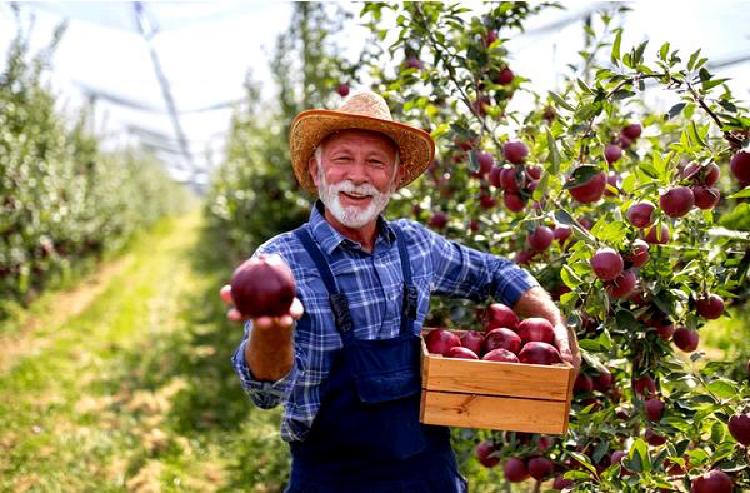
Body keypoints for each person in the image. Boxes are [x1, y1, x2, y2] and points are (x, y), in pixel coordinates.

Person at [221, 91, 581, 493]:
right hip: (333, 479)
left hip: (427, 473)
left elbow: (497, 272)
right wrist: (272, 330)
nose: (358, 175)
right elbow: (265, 392)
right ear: (316, 170)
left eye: (375, 162)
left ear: (394, 178)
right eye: (343, 158)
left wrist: (555, 325)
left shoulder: (416, 246)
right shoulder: (280, 261)